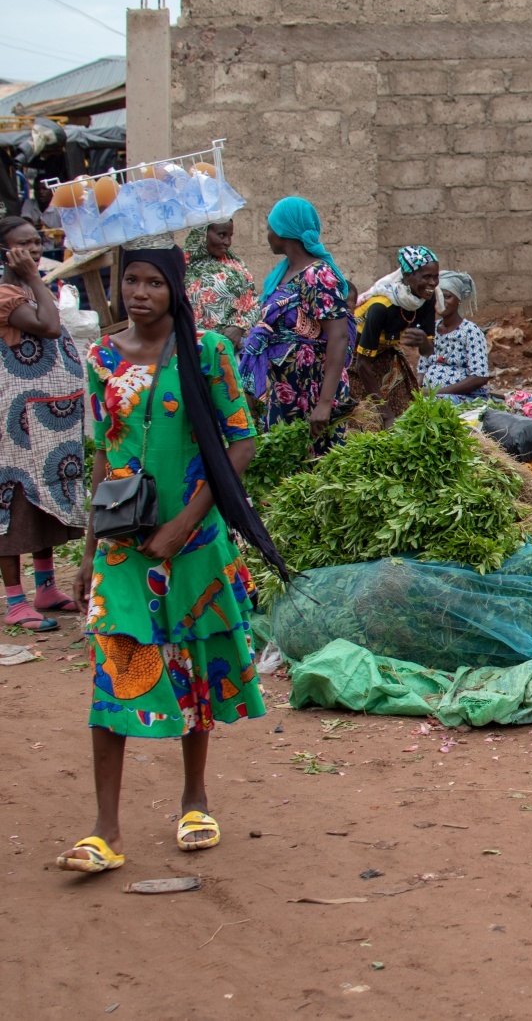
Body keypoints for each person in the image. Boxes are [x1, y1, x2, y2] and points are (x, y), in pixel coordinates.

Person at [59, 243, 292, 875]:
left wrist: (183, 525)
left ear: (176, 291)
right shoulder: (102, 357)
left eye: (153, 283)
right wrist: (88, 553)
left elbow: (240, 443)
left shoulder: (208, 351)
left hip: (192, 543)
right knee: (116, 669)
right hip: (122, 547)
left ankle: (195, 799)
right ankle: (105, 829)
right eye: (129, 281)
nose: (139, 293)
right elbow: (104, 454)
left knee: (192, 669)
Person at [0, 217, 85, 631]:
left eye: (38, 243)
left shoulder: (28, 289)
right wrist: (35, 278)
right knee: (13, 502)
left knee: (45, 497)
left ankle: (46, 586)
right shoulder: (6, 295)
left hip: (46, 421)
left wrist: (35, 280)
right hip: (15, 424)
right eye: (23, 245)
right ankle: (16, 601)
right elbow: (49, 327)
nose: (34, 250)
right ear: (5, 252)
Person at [238, 197, 353, 454]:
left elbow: (339, 337)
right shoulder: (283, 274)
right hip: (285, 388)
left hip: (312, 388)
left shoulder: (317, 274)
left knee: (315, 467)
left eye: (270, 227)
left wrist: (324, 403)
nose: (267, 234)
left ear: (284, 231)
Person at [351, 245, 439, 423]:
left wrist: (423, 341)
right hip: (354, 363)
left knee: (406, 418)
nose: (433, 283)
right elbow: (362, 364)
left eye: (436, 277)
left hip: (386, 357)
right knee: (366, 422)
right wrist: (385, 414)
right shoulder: (380, 308)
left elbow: (428, 352)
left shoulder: (426, 300)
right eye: (426, 277)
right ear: (407, 277)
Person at [183, 220, 258, 349]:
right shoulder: (181, 267)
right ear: (203, 233)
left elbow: (253, 304)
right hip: (192, 348)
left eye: (230, 236)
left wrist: (239, 327)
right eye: (222, 235)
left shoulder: (236, 266)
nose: (227, 242)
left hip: (230, 350)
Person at [418, 270, 491, 403]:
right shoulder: (431, 329)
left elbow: (480, 376)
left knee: (439, 403)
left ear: (458, 300)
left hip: (462, 397)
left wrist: (437, 393)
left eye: (447, 296)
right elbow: (422, 369)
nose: (441, 302)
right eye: (438, 297)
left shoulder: (470, 332)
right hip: (430, 396)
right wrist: (416, 390)